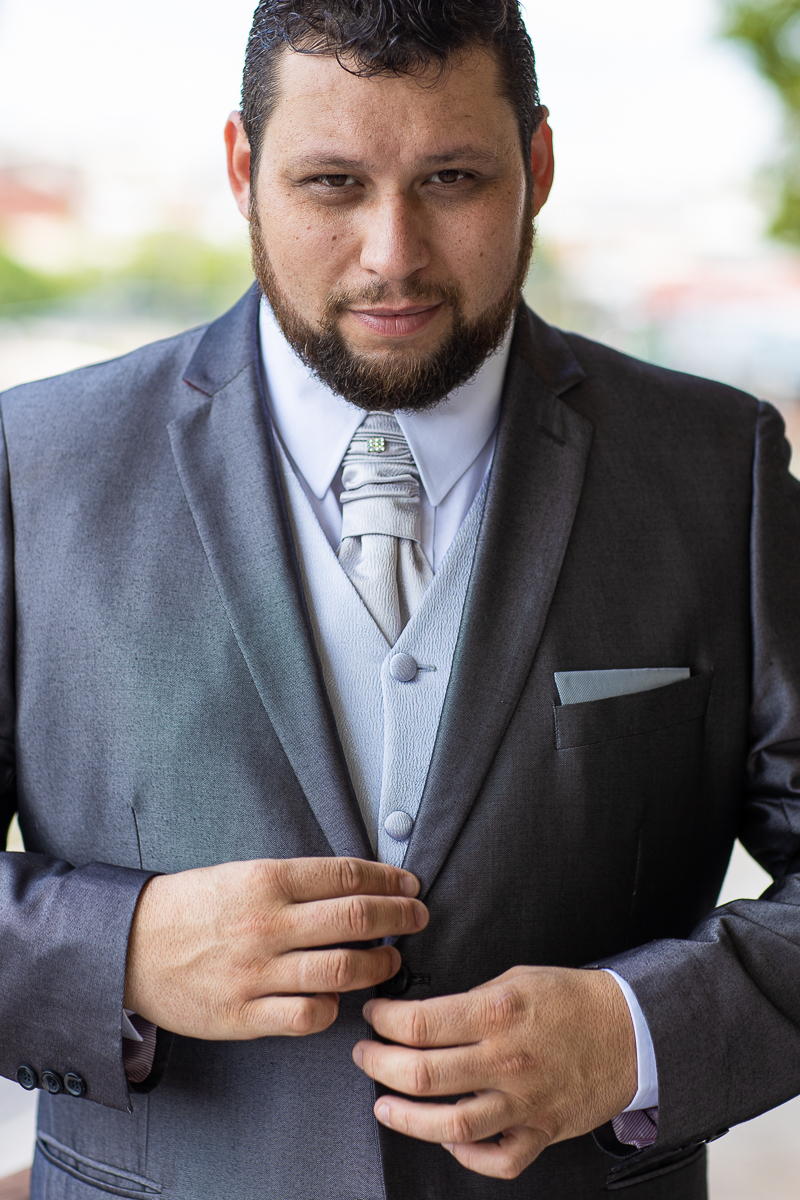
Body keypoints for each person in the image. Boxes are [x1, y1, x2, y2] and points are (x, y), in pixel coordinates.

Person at [0, 1, 799, 1197]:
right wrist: (113, 955)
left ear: (535, 166)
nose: (391, 253)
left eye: (452, 178)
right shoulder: (33, 462)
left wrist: (633, 1036)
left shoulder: (711, 465)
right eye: (329, 184)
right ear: (241, 167)